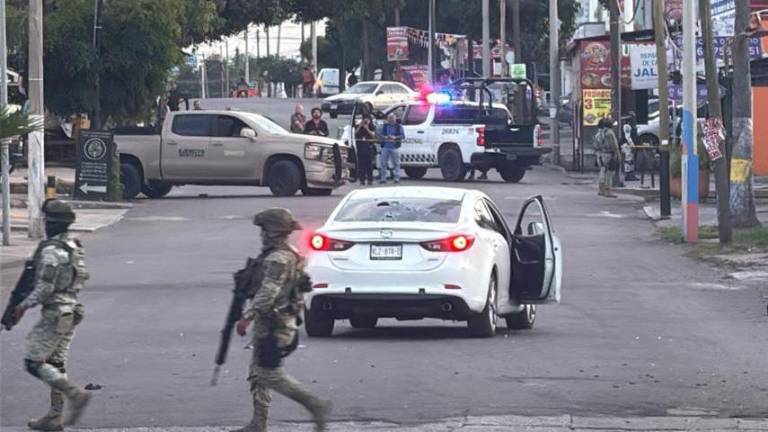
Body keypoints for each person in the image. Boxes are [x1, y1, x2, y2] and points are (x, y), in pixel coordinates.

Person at [233, 208, 332, 432]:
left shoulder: (279, 258)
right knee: (258, 372)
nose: (261, 235)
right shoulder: (288, 253)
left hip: (274, 325)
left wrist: (246, 318)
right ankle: (259, 423)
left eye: (264, 230)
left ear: (272, 232)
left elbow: (268, 292)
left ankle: (315, 404)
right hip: (273, 321)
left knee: (270, 374)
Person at [12, 199, 92, 431]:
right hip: (72, 309)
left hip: (56, 312)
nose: (45, 224)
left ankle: (75, 395)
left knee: (33, 362)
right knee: (55, 363)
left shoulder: (51, 251)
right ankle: (55, 416)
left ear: (53, 223)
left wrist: (23, 306)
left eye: (47, 220)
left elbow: (45, 287)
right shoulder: (74, 245)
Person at [593, 118, 620, 197]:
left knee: (602, 171)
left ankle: (601, 190)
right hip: (609, 154)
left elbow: (595, 145)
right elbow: (614, 145)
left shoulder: (598, 133)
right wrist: (617, 154)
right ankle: (608, 191)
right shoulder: (610, 133)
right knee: (609, 173)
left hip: (600, 154)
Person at [379, 113, 404, 184]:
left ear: (395, 119)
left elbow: (403, 136)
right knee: (383, 163)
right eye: (390, 118)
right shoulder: (384, 126)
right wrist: (385, 137)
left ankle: (397, 178)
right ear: (388, 119)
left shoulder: (399, 126)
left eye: (392, 118)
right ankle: (383, 178)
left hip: (395, 147)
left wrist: (395, 137)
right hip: (385, 147)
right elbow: (380, 135)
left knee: (396, 163)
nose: (391, 120)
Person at [355, 115, 377, 185]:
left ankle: (370, 179)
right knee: (361, 165)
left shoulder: (371, 126)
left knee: (369, 165)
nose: (365, 121)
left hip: (369, 147)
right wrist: (360, 126)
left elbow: (373, 135)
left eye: (367, 120)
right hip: (360, 147)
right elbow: (355, 134)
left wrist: (367, 129)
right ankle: (362, 179)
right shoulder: (359, 126)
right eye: (364, 120)